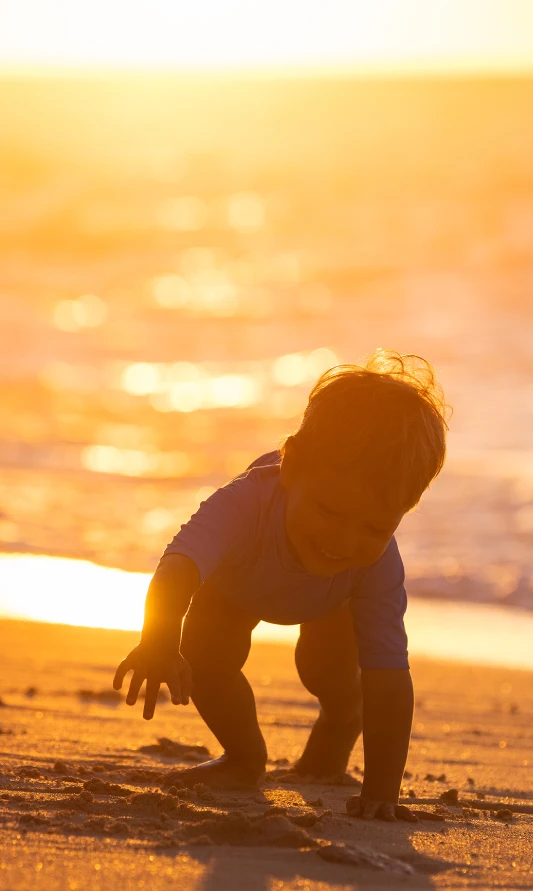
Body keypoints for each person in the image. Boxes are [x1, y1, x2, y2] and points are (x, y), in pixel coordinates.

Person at [114, 350, 447, 822]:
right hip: (234, 588)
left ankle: (336, 729)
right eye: (329, 512)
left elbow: (389, 676)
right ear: (291, 468)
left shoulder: (375, 562)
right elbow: (180, 567)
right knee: (206, 659)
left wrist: (382, 793)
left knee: (325, 670)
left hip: (332, 600)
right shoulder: (243, 504)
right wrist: (159, 639)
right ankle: (244, 757)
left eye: (374, 527)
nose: (344, 539)